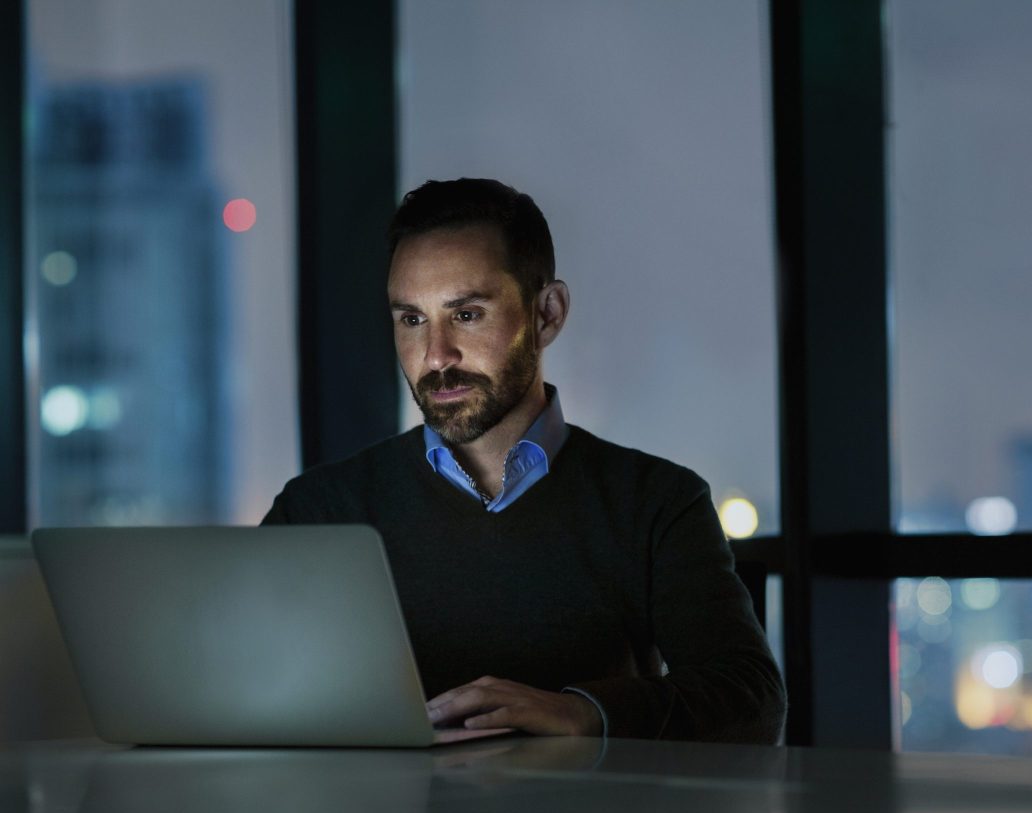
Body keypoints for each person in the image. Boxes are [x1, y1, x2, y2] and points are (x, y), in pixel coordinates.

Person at [262, 178, 785, 744]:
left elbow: (750, 699)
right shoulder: (315, 508)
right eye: (412, 320)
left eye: (466, 315)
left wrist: (582, 712)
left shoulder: (657, 502)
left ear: (548, 313)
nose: (436, 356)